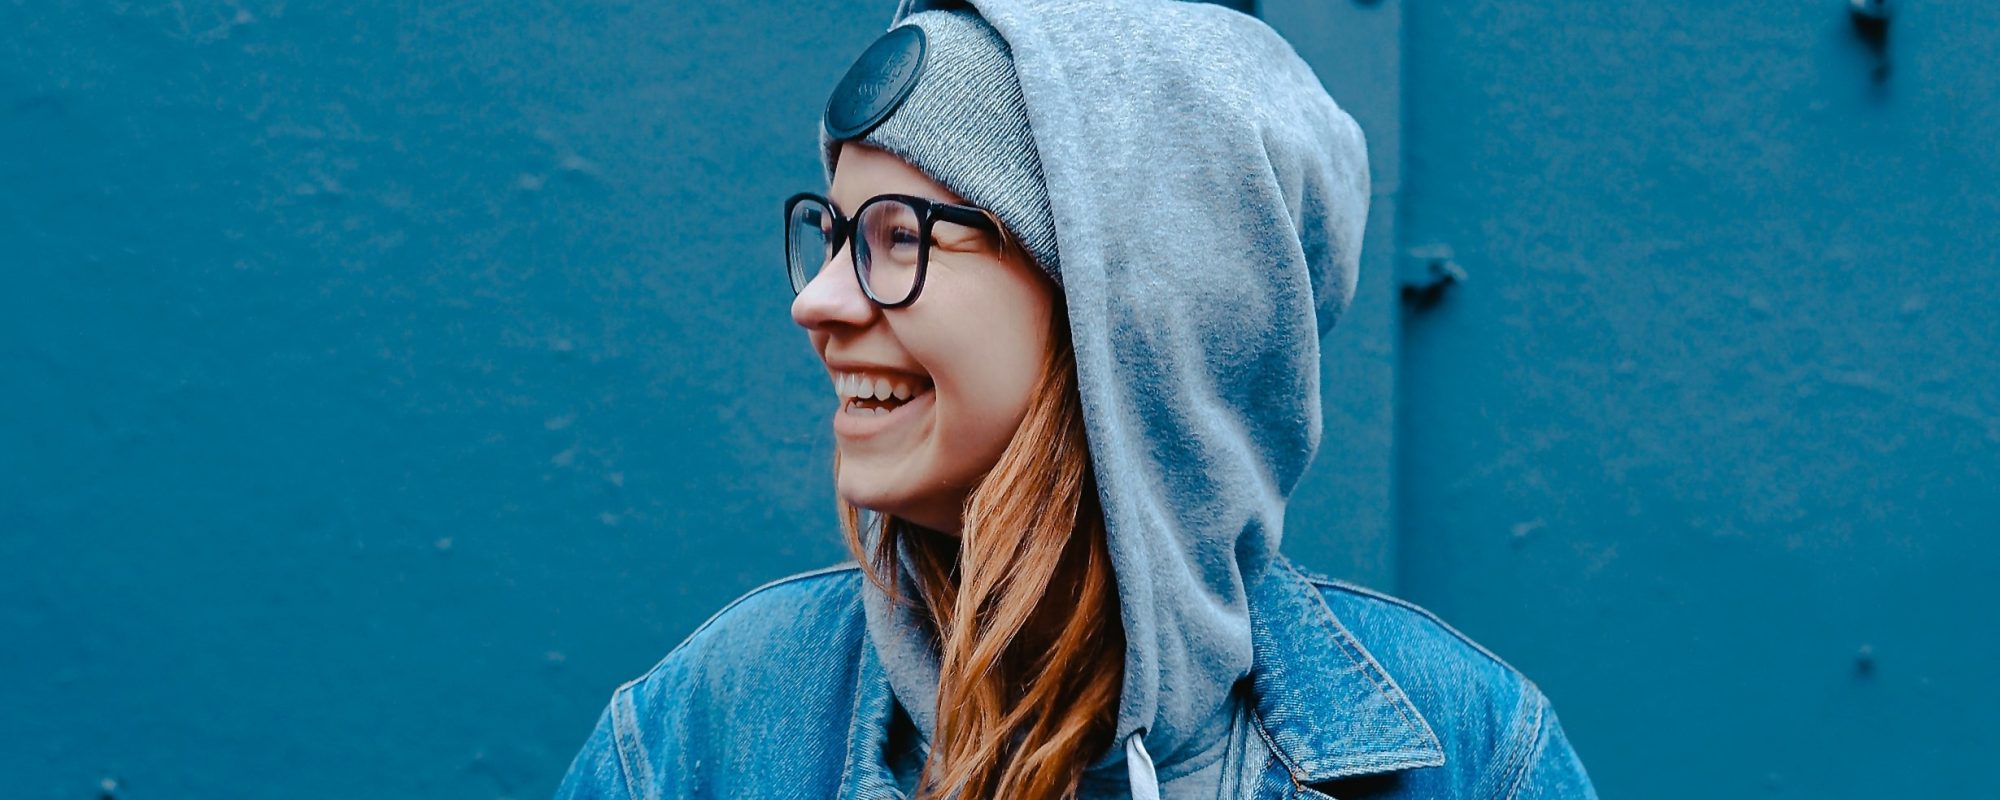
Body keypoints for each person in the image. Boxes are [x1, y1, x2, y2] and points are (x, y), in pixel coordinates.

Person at [556, 0, 1598, 797]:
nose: (817, 302)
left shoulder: (1471, 757)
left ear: (1135, 309)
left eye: (897, 238)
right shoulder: (702, 734)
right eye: (830, 237)